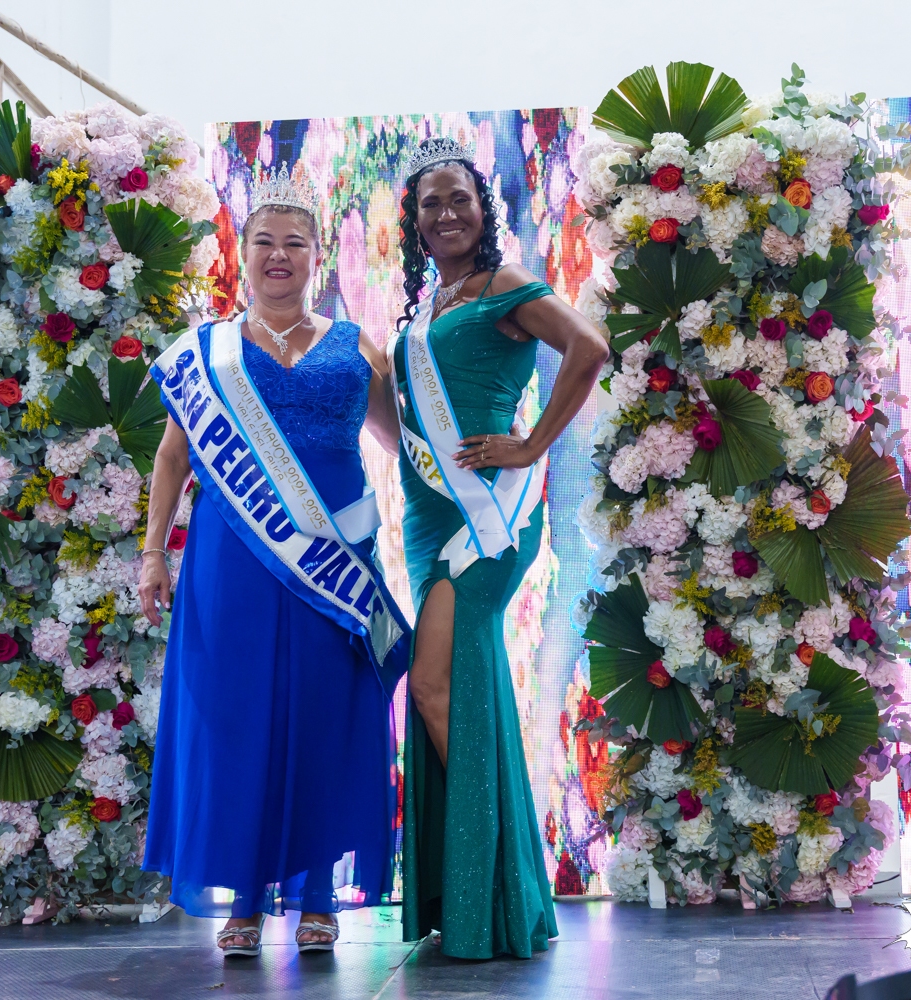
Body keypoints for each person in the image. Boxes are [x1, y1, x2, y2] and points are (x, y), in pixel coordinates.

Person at [139, 168, 409, 957]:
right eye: (265, 244)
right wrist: (154, 552)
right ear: (243, 255)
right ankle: (247, 899)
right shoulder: (206, 354)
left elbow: (400, 447)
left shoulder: (360, 346)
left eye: (296, 244)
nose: (280, 257)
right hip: (232, 564)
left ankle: (319, 895)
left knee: (328, 717)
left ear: (319, 257)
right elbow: (169, 461)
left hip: (333, 559)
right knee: (238, 722)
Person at [392, 136, 607, 960]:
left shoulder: (506, 287)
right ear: (413, 223)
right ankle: (489, 895)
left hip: (487, 518)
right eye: (430, 203)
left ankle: (506, 883)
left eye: (460, 199)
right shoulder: (426, 312)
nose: (446, 214)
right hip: (424, 518)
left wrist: (531, 445)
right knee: (459, 688)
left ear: (484, 211)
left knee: (436, 687)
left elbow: (588, 349)